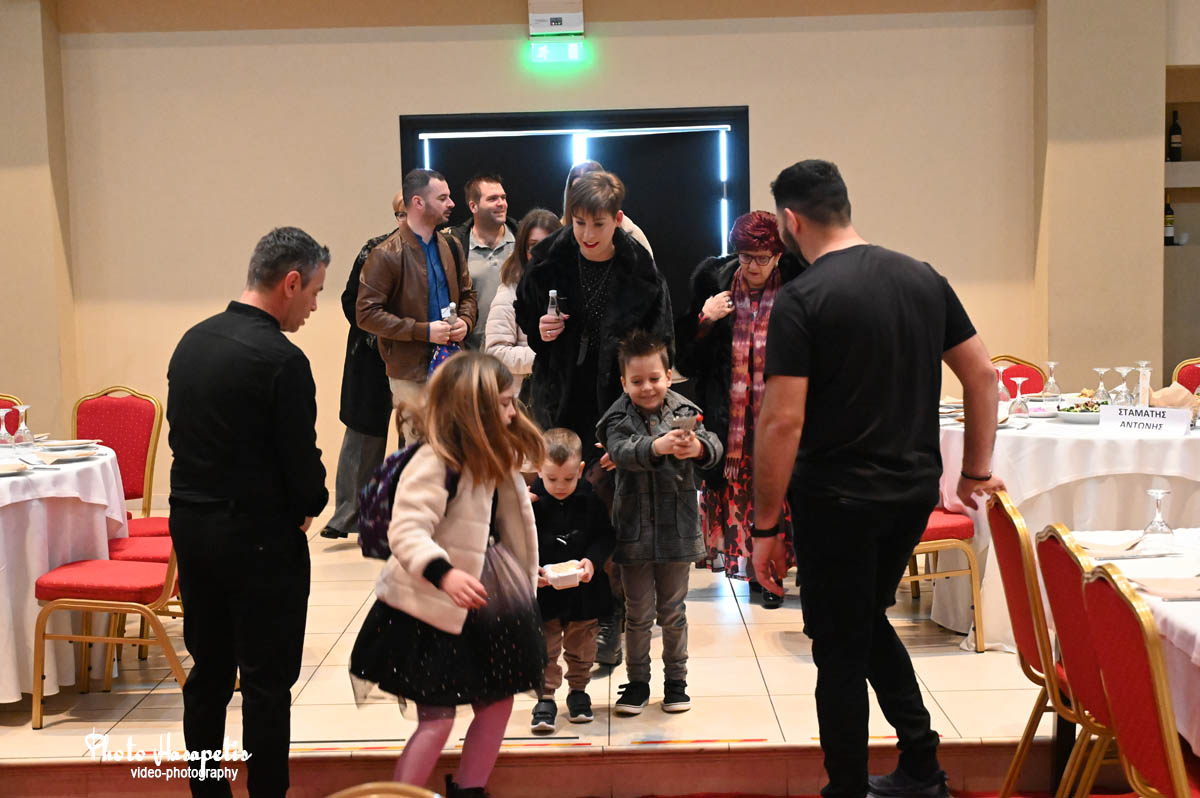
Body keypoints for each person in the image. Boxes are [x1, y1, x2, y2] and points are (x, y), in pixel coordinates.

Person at [750, 160, 1006, 798]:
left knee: (838, 647)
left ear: (791, 220)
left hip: (837, 499)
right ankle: (920, 763)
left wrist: (764, 526)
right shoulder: (922, 278)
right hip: (911, 492)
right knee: (860, 622)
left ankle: (848, 788)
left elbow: (781, 422)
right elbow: (984, 376)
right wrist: (975, 472)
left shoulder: (803, 298)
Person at [167, 227, 330, 798]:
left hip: (192, 527)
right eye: (315, 292)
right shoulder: (282, 359)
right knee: (265, 683)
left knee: (208, 673)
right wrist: (310, 504)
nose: (314, 306)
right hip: (259, 539)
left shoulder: (191, 342)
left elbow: (182, 440)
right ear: (291, 282)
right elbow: (301, 465)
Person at [348, 352, 547, 798]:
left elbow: (503, 520)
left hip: (485, 596)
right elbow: (407, 530)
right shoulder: (435, 461)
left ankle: (470, 790)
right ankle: (400, 796)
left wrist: (521, 570)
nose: (512, 413)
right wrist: (444, 574)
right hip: (431, 606)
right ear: (474, 410)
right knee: (437, 719)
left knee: (497, 704)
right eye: (504, 404)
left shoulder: (493, 453)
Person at [515, 170, 674, 667]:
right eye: (579, 222)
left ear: (617, 220)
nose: (586, 234)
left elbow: (659, 344)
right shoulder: (550, 257)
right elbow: (526, 312)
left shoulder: (639, 268)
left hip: (617, 406)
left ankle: (606, 614)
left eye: (598, 225)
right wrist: (540, 329)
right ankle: (551, 610)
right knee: (556, 501)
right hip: (560, 400)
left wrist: (642, 413)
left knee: (608, 509)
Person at [674, 211, 805, 606]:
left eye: (763, 258)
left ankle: (783, 569)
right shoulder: (712, 284)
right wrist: (705, 320)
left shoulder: (798, 287)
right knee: (743, 497)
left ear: (778, 256)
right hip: (731, 420)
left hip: (782, 415)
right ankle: (758, 577)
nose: (753, 266)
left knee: (783, 493)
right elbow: (687, 362)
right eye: (746, 257)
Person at [596, 330, 722, 716]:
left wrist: (698, 448)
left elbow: (714, 445)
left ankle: (676, 682)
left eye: (654, 378)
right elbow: (620, 450)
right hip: (633, 533)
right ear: (624, 383)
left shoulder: (686, 410)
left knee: (673, 611)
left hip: (676, 530)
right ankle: (637, 682)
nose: (647, 387)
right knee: (638, 614)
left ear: (669, 376)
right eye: (637, 381)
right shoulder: (618, 416)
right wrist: (655, 446)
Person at [357, 169, 478, 435]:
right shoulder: (385, 254)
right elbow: (366, 314)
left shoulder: (451, 245)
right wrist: (423, 331)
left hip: (451, 364)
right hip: (410, 372)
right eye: (442, 198)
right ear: (418, 202)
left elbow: (468, 294)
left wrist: (466, 322)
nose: (451, 203)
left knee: (456, 444)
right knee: (420, 449)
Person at [322, 195, 405, 539]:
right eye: (400, 213)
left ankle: (404, 514)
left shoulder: (441, 251)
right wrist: (381, 334)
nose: (406, 218)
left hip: (417, 356)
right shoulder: (374, 250)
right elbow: (350, 301)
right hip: (370, 356)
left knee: (413, 434)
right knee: (362, 435)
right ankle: (349, 514)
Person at [529, 427, 615, 733]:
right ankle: (546, 697)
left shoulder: (590, 501)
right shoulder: (530, 504)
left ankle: (579, 691)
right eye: (552, 479)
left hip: (584, 593)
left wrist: (592, 560)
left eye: (568, 478)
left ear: (580, 470)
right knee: (546, 647)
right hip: (545, 594)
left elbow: (605, 536)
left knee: (582, 645)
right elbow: (516, 543)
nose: (560, 486)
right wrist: (531, 570)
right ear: (538, 468)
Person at [484, 208, 562, 397]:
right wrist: (545, 356)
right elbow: (495, 352)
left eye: (548, 244)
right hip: (526, 398)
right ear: (523, 249)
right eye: (533, 246)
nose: (541, 253)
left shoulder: (569, 285)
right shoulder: (510, 291)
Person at [447, 173, 517, 351]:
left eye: (503, 197)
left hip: (514, 352)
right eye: (493, 199)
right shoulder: (455, 245)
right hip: (470, 352)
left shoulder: (522, 239)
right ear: (473, 206)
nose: (501, 203)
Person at [561, 160, 654, 257]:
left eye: (599, 224)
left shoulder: (632, 235)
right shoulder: (560, 232)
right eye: (577, 191)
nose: (583, 198)